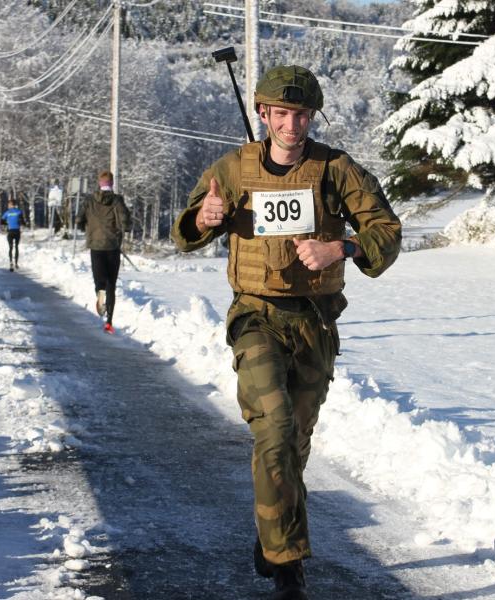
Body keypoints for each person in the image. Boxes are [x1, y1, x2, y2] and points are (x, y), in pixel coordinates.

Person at [172, 65, 401, 600]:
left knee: (294, 443)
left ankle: (272, 531)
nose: (291, 126)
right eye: (280, 114)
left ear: (312, 116)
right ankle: (288, 567)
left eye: (301, 115)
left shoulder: (335, 169)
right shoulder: (234, 169)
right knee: (273, 429)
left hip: (314, 322)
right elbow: (185, 231)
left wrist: (340, 247)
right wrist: (205, 218)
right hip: (255, 316)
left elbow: (387, 231)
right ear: (263, 113)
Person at [76, 170, 131, 333]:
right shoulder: (117, 200)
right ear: (112, 183)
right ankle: (109, 322)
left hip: (96, 246)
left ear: (99, 183)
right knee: (111, 284)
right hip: (112, 246)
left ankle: (100, 293)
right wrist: (126, 228)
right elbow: (125, 220)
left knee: (99, 280)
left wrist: (84, 226)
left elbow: (79, 219)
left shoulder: (89, 200)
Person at [0, 198, 25, 271]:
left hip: (10, 231)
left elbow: (1, 221)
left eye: (9, 204)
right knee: (16, 247)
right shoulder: (19, 212)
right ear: (15, 205)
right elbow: (22, 222)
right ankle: (16, 263)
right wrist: (21, 224)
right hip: (17, 231)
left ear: (10, 205)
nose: (8, 205)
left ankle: (11, 262)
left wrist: (7, 223)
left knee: (10, 247)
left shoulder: (7, 212)